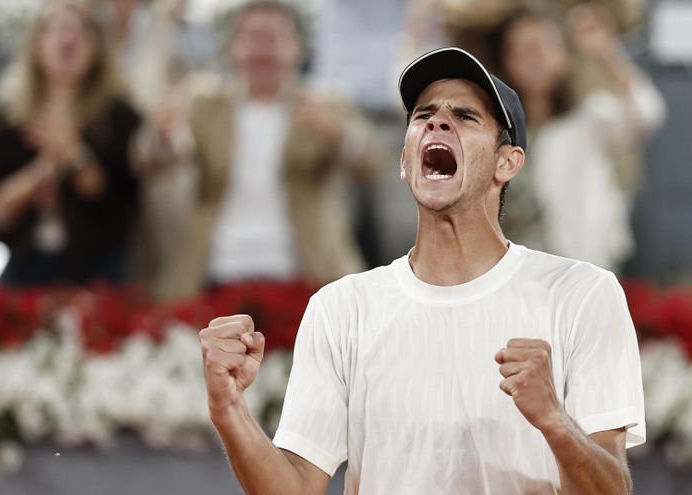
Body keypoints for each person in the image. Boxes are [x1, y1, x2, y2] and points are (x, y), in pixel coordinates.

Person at [199, 47, 644, 494]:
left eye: (466, 116)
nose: (437, 122)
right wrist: (228, 409)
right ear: (405, 161)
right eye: (423, 116)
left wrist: (554, 421)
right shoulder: (340, 308)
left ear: (507, 163)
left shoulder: (582, 295)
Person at [141, 0, 386, 301]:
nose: (262, 50)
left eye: (273, 38)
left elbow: (375, 164)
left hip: (306, 277)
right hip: (216, 275)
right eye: (252, 38)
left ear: (297, 48)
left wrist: (338, 134)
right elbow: (151, 159)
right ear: (232, 48)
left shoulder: (326, 104)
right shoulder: (204, 103)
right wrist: (162, 138)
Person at [0, 0, 141, 286]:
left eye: (80, 31)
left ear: (97, 48)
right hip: (23, 263)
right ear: (37, 45)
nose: (68, 38)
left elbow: (108, 192)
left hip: (95, 266)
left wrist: (73, 153)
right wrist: (44, 168)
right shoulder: (8, 115)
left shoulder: (118, 116)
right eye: (57, 29)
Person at [496, 5, 665, 271]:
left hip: (580, 270)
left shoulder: (588, 120)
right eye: (522, 49)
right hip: (515, 274)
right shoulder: (497, 134)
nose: (534, 58)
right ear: (507, 61)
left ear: (562, 56)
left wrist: (607, 52)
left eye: (542, 46)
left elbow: (646, 113)